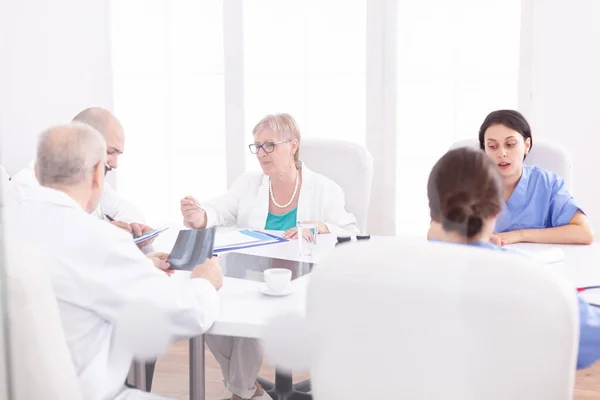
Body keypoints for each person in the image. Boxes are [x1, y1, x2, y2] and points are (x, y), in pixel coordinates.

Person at [3, 122, 224, 400]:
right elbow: (186, 315)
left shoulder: (10, 221)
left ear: (36, 172)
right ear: (98, 174)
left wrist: (140, 265)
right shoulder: (98, 240)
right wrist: (204, 282)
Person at [180, 113, 359, 400]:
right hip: (251, 275)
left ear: (293, 146)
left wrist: (322, 226)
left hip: (301, 283)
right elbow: (220, 209)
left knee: (254, 306)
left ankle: (244, 393)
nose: (261, 154)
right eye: (257, 147)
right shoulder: (249, 183)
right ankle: (248, 390)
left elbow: (351, 232)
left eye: (269, 146)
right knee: (211, 308)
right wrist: (200, 215)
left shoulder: (323, 189)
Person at [427, 146, 600, 370]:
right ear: (498, 209)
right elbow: (590, 339)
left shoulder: (397, 273)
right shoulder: (541, 283)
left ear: (433, 209)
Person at [10, 107, 154, 247]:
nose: (115, 164)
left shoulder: (94, 180)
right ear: (86, 141)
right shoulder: (26, 187)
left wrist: (131, 227)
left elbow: (128, 211)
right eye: (110, 152)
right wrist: (102, 232)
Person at [478, 109, 594, 246]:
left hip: (538, 264)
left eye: (510, 145)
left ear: (526, 145)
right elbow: (447, 232)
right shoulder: (468, 185)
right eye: (492, 146)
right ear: (484, 150)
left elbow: (584, 233)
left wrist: (519, 235)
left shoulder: (548, 184)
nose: (502, 153)